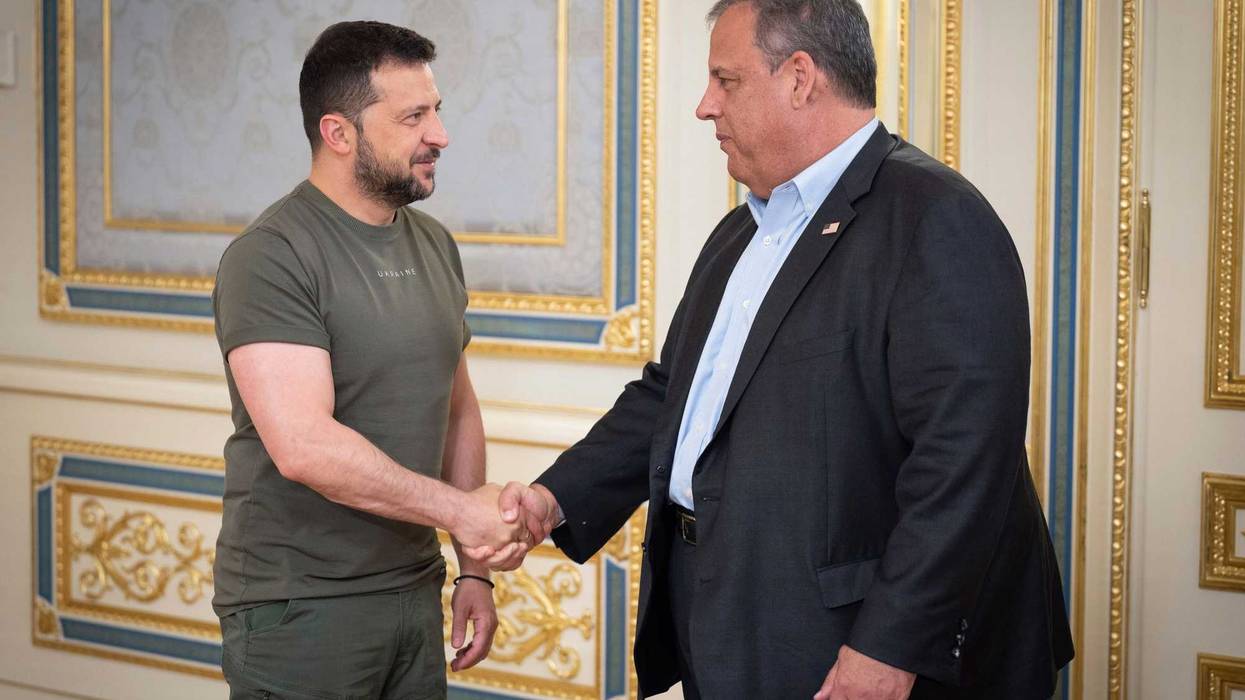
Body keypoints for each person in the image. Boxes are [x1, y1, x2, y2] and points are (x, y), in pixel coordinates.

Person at [492, 1, 1074, 698]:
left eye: (725, 80)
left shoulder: (934, 217)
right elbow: (668, 397)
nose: (705, 106)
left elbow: (963, 463)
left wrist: (888, 647)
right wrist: (552, 499)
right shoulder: (740, 234)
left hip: (855, 643)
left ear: (800, 78)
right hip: (732, 617)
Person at [211, 21, 529, 699]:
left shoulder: (434, 242)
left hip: (414, 590)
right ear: (339, 133)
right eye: (413, 116)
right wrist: (460, 514)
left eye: (436, 110)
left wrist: (473, 568)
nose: (439, 134)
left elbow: (456, 410)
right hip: (299, 609)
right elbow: (303, 446)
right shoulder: (270, 255)